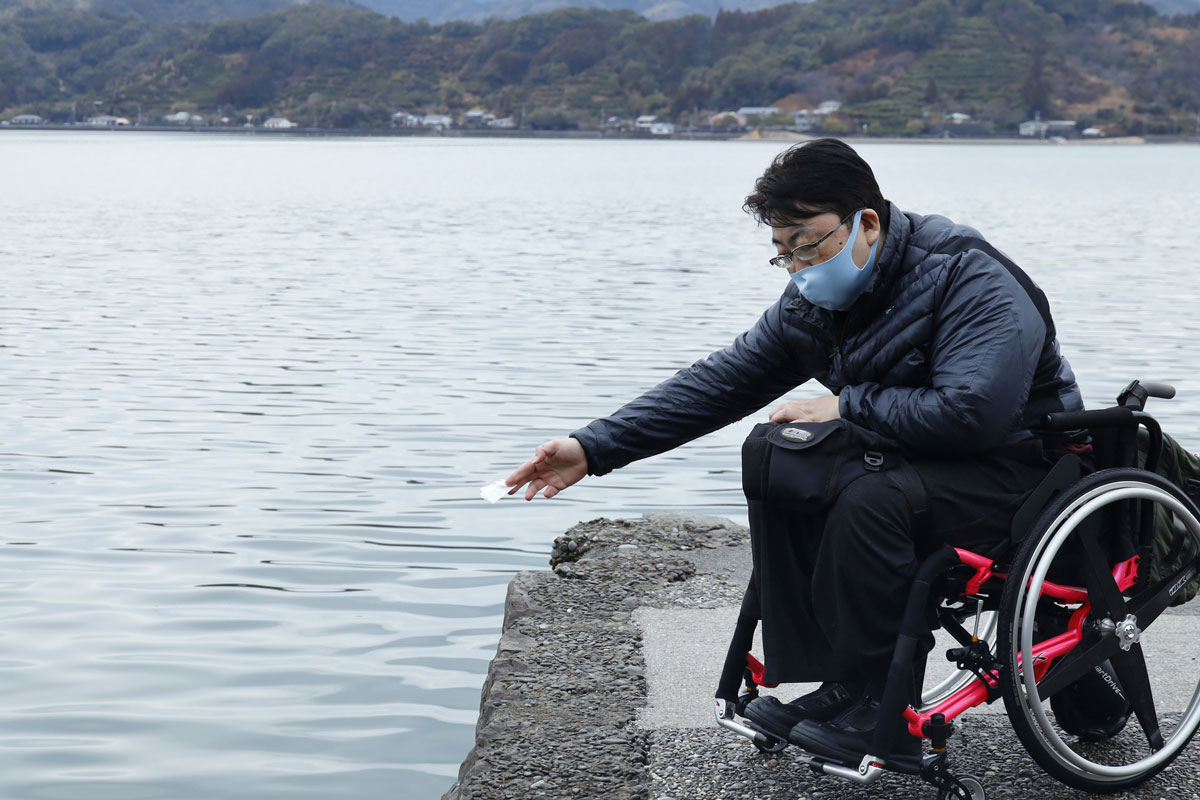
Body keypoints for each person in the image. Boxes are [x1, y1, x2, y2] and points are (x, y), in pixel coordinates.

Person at [505, 138, 1084, 761]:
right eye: (782, 251)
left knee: (869, 499)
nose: (798, 266)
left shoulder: (967, 276)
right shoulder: (813, 300)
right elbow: (720, 382)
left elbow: (976, 413)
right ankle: (840, 681)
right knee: (778, 456)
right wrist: (594, 448)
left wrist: (847, 404)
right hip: (924, 460)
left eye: (807, 243)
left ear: (867, 222)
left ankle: (875, 703)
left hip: (1023, 470)